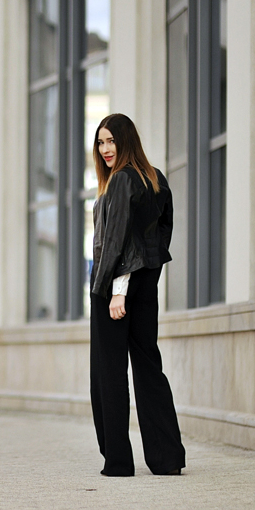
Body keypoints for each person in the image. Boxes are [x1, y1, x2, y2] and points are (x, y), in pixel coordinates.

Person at [89, 113, 186, 477]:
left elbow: (118, 243)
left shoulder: (120, 182)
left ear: (126, 140)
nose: (105, 149)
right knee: (148, 367)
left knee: (108, 374)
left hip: (113, 290)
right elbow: (161, 236)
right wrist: (147, 277)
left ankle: (118, 462)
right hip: (144, 287)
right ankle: (166, 458)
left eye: (111, 140)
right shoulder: (156, 179)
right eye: (100, 142)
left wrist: (116, 291)